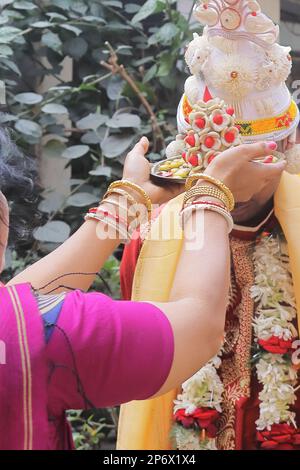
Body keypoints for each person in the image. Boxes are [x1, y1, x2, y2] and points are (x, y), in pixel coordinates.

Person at [0, 122, 282, 449]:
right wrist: (212, 193)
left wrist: (129, 198)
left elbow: (22, 307)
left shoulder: (19, 327)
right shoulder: (48, 335)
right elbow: (199, 327)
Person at [117, 0, 300, 451]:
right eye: (218, 165)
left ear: (286, 149)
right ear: (190, 154)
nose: (230, 181)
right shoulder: (151, 240)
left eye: (250, 161)